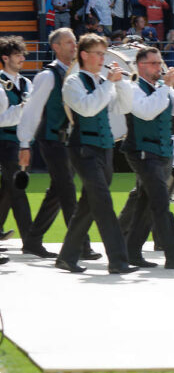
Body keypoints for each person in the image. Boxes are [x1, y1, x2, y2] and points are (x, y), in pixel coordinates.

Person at [55, 33, 134, 274]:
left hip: (105, 147)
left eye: (103, 53)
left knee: (88, 204)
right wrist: (109, 83)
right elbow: (87, 109)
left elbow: (124, 107)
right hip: (83, 148)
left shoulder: (104, 81)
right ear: (84, 55)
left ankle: (67, 256)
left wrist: (121, 83)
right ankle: (119, 260)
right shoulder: (73, 82)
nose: (103, 58)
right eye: (98, 54)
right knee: (103, 202)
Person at [117, 45, 174, 269]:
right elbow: (147, 111)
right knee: (161, 203)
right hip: (142, 151)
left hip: (162, 152)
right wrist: (166, 86)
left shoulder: (163, 88)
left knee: (146, 204)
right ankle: (173, 254)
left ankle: (132, 252)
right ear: (140, 66)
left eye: (159, 63)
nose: (158, 67)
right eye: (153, 63)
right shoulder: (133, 88)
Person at [16, 28, 94, 259]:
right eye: (68, 42)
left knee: (58, 192)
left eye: (75, 42)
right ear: (56, 47)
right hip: (52, 140)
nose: (74, 46)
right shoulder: (47, 76)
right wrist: (24, 142)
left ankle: (32, 240)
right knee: (68, 191)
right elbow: (32, 110)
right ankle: (80, 246)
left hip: (69, 141)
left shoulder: (77, 74)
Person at [0, 37, 35, 259]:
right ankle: (31, 241)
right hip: (5, 141)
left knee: (8, 189)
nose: (22, 58)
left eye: (22, 54)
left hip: (22, 141)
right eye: (17, 55)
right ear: (5, 58)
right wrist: (23, 108)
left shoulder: (26, 83)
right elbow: (1, 119)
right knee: (18, 189)